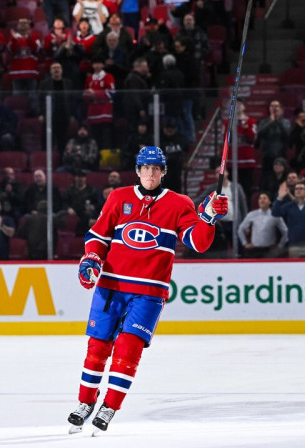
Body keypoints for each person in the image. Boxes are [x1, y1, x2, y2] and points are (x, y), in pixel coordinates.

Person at [67, 146, 227, 433]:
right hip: (111, 287)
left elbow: (198, 242)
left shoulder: (179, 203)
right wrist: (91, 258)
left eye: (156, 168)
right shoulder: (118, 197)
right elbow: (98, 235)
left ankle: (109, 406)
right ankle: (86, 402)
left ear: (163, 172)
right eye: (145, 168)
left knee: (128, 349)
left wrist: (209, 218)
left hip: (149, 293)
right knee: (97, 347)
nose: (150, 173)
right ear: (138, 170)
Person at [237, 192, 288, 258]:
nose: (262, 200)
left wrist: (280, 246)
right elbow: (241, 229)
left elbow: (285, 231)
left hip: (270, 251)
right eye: (260, 198)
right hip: (255, 250)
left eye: (264, 198)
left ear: (269, 202)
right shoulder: (252, 214)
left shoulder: (275, 215)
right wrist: (245, 243)